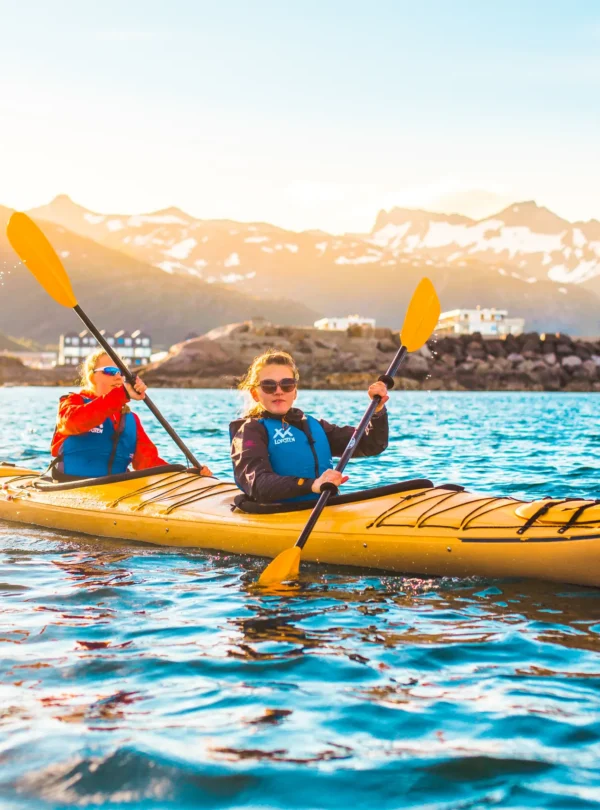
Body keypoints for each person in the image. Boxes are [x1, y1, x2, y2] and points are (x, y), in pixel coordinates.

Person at [230, 349, 389, 503]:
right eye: (269, 385)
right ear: (255, 394)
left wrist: (377, 411)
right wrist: (311, 485)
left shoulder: (313, 426)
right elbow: (258, 483)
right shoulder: (249, 432)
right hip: (277, 513)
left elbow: (371, 445)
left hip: (325, 507)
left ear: (295, 391)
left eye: (286, 384)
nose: (279, 391)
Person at [51, 348, 172, 479]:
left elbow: (149, 463)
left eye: (121, 372)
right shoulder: (72, 402)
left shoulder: (131, 420)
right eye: (110, 371)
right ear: (92, 377)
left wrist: (185, 475)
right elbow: (72, 422)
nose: (118, 377)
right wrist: (122, 394)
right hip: (70, 487)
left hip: (116, 492)